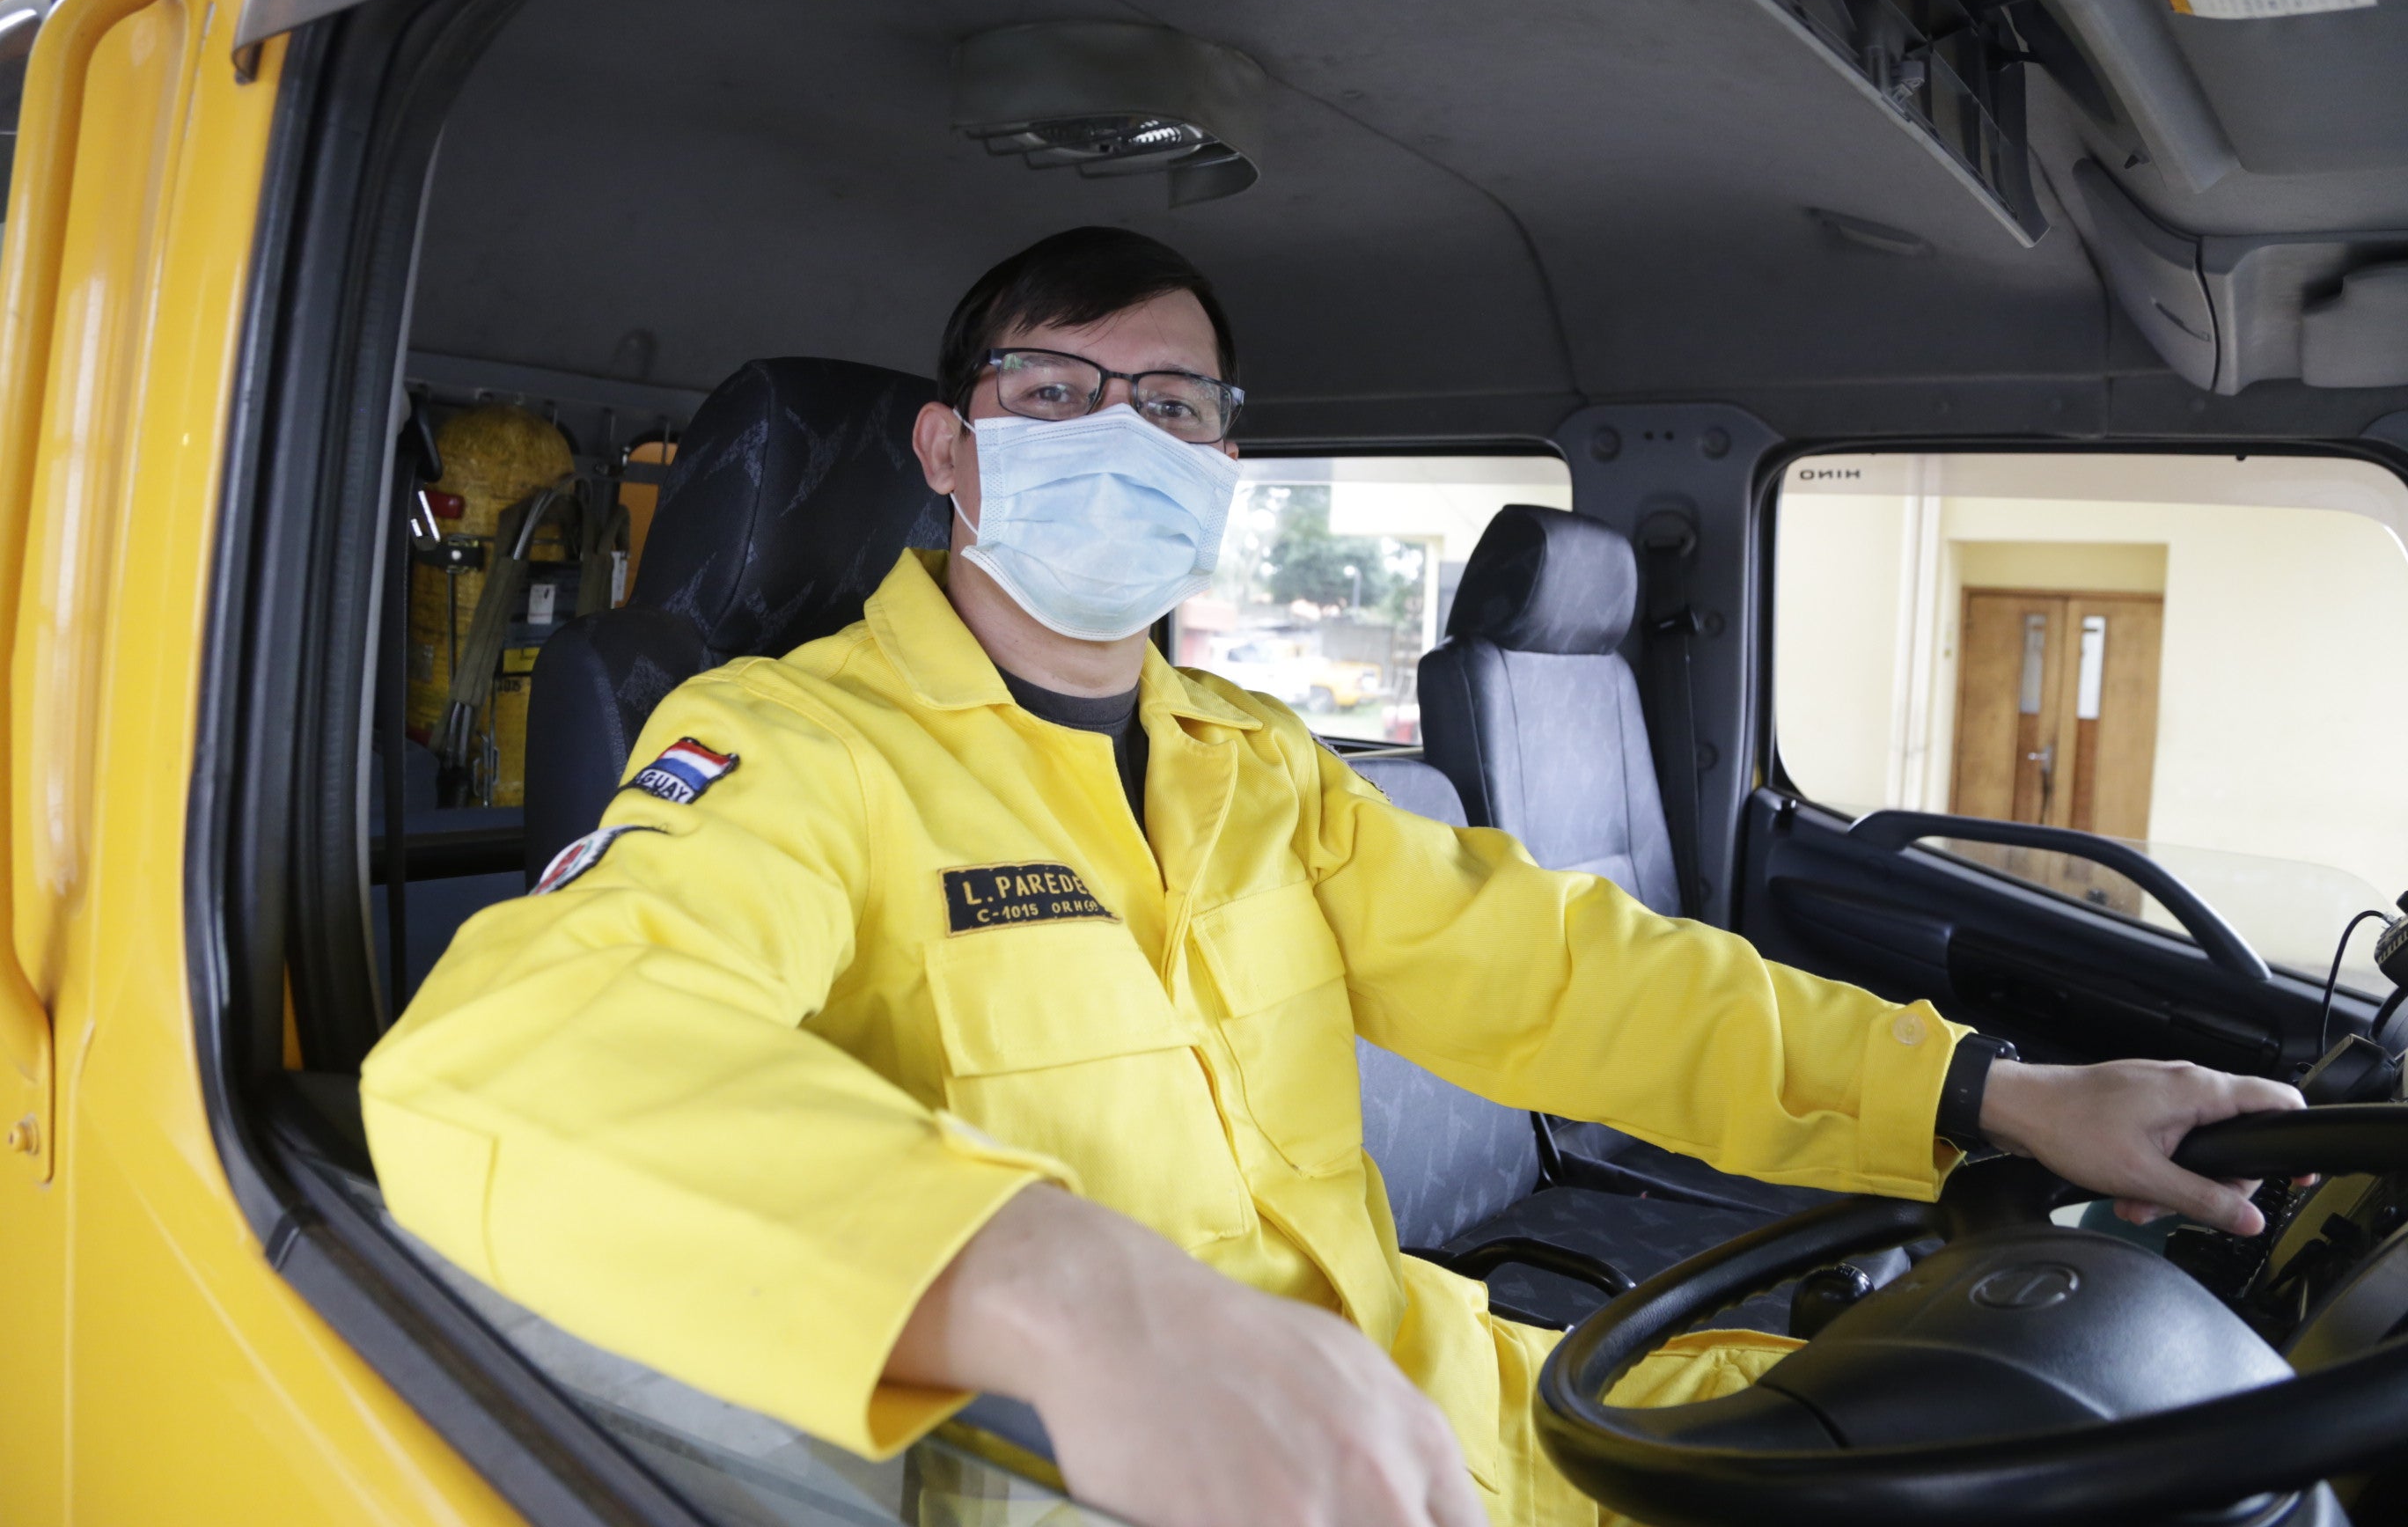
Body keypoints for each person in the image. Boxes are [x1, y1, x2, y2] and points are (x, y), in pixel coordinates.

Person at [361, 226, 2302, 1527]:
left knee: (2052, 1448)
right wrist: (1075, 1303)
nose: (1122, 444)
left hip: (1441, 1409)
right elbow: (531, 1051)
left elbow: (1571, 975)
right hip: (1113, 1476)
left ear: (1220, 477)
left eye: (1176, 411)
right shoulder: (792, 751)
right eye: (1055, 398)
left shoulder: (1253, 765)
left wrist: (1995, 1095)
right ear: (952, 455)